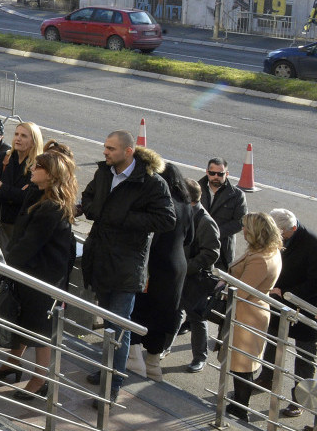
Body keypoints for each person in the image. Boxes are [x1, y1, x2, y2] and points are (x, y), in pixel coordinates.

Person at [79, 130, 176, 403]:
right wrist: (96, 210)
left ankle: (112, 385)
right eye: (105, 147)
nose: (105, 152)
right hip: (100, 259)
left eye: (110, 148)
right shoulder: (104, 173)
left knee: (118, 327)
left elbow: (167, 219)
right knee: (108, 324)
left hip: (126, 266)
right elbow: (88, 198)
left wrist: (122, 217)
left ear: (128, 151)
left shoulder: (152, 183)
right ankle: (109, 370)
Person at [0, 146, 78, 402]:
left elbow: (30, 244)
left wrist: (4, 265)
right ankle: (13, 362)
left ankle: (41, 380)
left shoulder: (51, 207)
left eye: (38, 167)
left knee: (39, 329)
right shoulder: (37, 195)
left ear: (50, 175)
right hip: (30, 274)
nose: (31, 169)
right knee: (23, 320)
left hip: (43, 278)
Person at [128, 147, 193, 381]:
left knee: (139, 310)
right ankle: (153, 363)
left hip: (153, 267)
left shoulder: (157, 203)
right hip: (176, 268)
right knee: (165, 312)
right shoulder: (186, 206)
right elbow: (191, 238)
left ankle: (135, 358)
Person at [221, 212, 284, 421]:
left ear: (257, 232)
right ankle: (238, 403)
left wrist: (223, 285)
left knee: (243, 364)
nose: (243, 230)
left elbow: (241, 291)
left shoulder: (260, 259)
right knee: (242, 363)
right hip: (250, 311)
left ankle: (240, 407)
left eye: (246, 227)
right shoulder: (268, 250)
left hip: (247, 315)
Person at [261, 208, 317, 418]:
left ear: (290, 229)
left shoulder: (312, 244)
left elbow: (314, 283)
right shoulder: (283, 236)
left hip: (305, 308)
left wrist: (287, 293)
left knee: (304, 357)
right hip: (280, 302)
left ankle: (298, 400)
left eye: (278, 232)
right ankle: (266, 377)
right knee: (272, 342)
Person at [179, 177, 221, 373]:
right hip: (178, 275)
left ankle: (199, 357)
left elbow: (212, 253)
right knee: (173, 311)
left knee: (196, 318)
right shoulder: (182, 213)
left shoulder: (205, 221)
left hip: (194, 278)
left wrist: (187, 266)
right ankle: (162, 348)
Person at [0, 121, 44, 249]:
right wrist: (13, 192)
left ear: (34, 141)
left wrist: (2, 187)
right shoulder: (6, 157)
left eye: (24, 136)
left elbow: (26, 197)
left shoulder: (38, 167)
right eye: (16, 134)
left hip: (16, 227)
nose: (18, 138)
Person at [201, 157, 247, 272]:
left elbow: (240, 222)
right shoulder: (196, 189)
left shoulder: (237, 195)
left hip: (222, 251)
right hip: (199, 246)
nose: (216, 176)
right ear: (207, 172)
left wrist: (214, 233)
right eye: (212, 173)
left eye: (220, 174)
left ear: (226, 174)